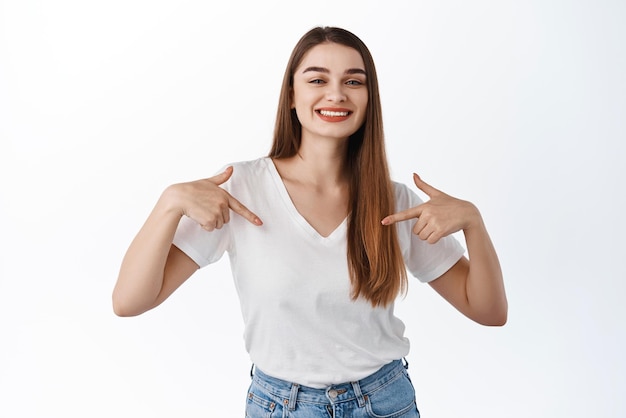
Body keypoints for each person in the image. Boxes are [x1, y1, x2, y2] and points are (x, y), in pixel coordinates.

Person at [113, 26, 507, 418]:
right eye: (318, 79)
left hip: (385, 403)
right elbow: (130, 301)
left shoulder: (395, 201)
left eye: (353, 81)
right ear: (291, 96)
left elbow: (489, 311)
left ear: (370, 99)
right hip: (281, 407)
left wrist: (474, 223)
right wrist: (169, 204)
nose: (336, 94)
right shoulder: (242, 189)